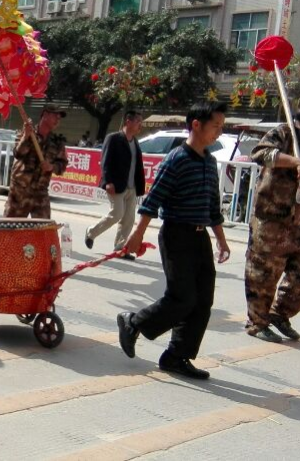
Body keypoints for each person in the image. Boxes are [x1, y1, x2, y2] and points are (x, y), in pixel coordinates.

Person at [116, 102, 231, 380]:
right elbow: (153, 199)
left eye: (220, 127)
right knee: (182, 298)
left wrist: (221, 241)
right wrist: (137, 233)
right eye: (215, 126)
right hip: (176, 235)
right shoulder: (177, 158)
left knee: (203, 301)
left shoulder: (209, 160)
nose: (218, 132)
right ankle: (134, 322)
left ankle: (176, 356)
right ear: (196, 125)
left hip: (200, 237)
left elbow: (213, 207)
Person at [244, 94, 300, 343]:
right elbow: (260, 153)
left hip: (298, 221)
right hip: (271, 218)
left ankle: (280, 314)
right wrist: (294, 162)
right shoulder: (282, 133)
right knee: (264, 274)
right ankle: (257, 323)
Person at [85, 111, 145, 259]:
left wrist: (140, 186)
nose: (140, 126)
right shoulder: (113, 138)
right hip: (116, 184)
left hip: (132, 186)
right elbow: (105, 161)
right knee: (117, 213)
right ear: (128, 122)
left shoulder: (135, 142)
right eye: (138, 122)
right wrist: (108, 181)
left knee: (129, 218)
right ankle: (91, 232)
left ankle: (120, 248)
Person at [4, 105, 68, 218]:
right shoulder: (26, 133)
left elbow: (62, 166)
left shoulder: (57, 142)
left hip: (40, 192)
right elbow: (18, 153)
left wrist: (51, 167)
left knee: (43, 229)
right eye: (55, 116)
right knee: (10, 228)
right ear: (45, 115)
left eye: (60, 118)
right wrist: (26, 137)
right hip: (20, 190)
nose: (58, 120)